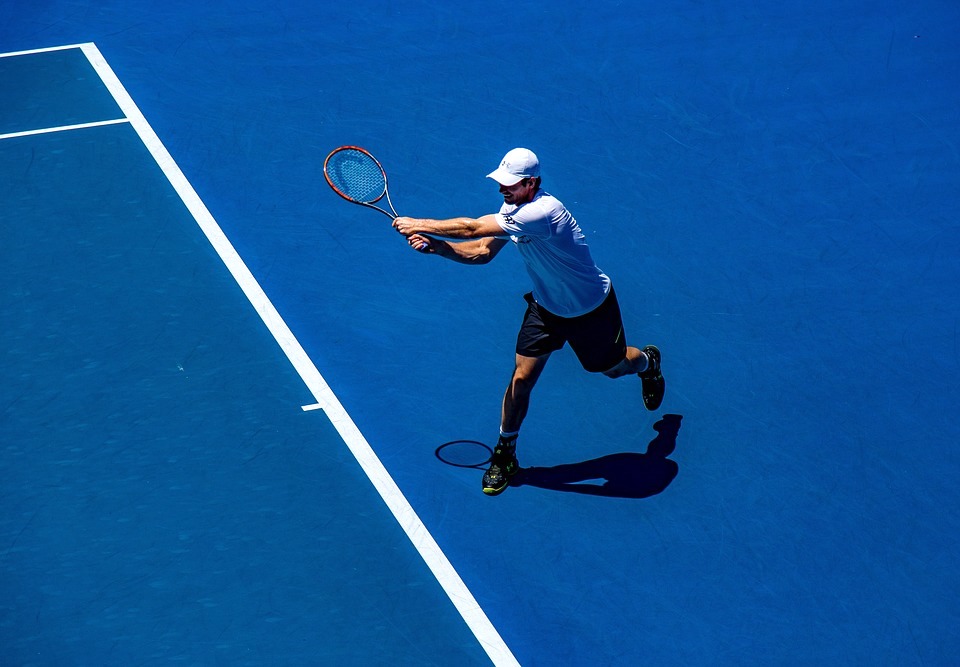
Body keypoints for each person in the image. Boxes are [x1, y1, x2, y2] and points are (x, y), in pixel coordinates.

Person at [392, 148, 664, 496]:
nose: (502, 189)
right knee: (521, 379)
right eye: (500, 183)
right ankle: (505, 453)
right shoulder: (513, 209)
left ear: (532, 183)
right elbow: (482, 251)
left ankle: (647, 362)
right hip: (546, 309)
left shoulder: (543, 212)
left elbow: (472, 228)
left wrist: (418, 223)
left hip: (591, 309)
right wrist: (438, 248)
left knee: (612, 368)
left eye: (510, 184)